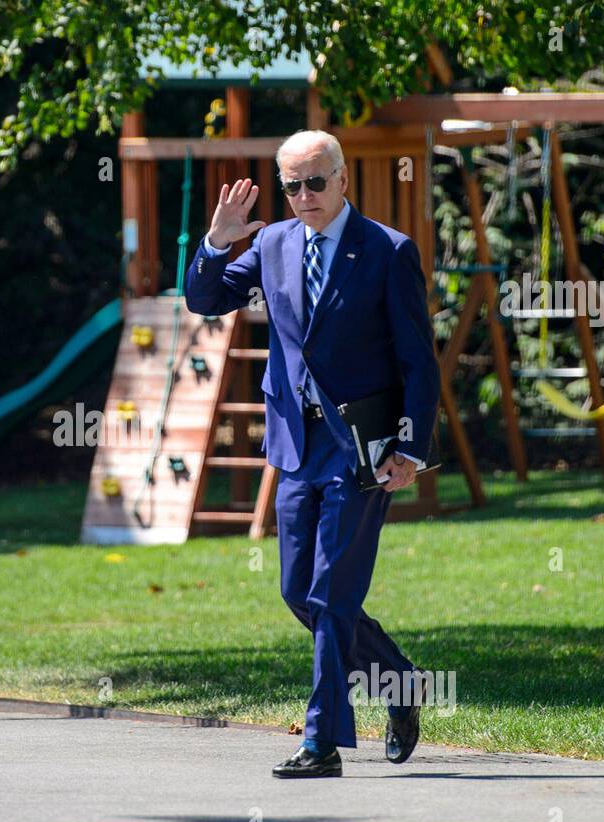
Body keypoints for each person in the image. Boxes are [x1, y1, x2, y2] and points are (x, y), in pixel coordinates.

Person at [184, 129, 438, 778]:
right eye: (292, 185)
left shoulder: (387, 251)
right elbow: (204, 299)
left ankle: (321, 741)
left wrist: (409, 447)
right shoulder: (270, 245)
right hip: (297, 445)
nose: (304, 196)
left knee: (331, 594)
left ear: (343, 179)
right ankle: (402, 682)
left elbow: (418, 362)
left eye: (316, 182)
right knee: (299, 591)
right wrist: (218, 241)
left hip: (362, 448)